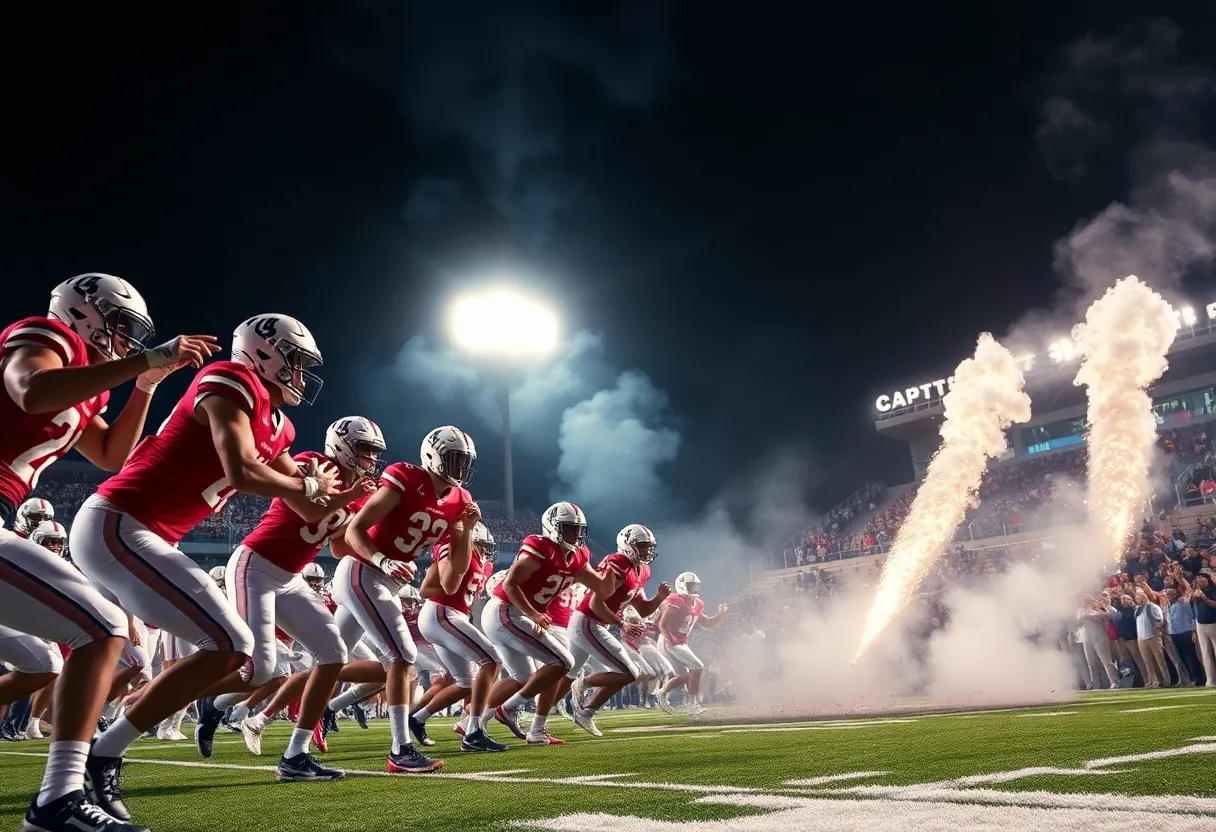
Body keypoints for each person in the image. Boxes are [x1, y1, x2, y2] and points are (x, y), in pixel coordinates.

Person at [70, 313, 338, 826]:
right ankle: (99, 755)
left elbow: (308, 510)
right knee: (228, 644)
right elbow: (242, 470)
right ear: (266, 352)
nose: (302, 375)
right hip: (120, 520)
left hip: (147, 533)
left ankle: (104, 751)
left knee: (233, 650)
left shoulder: (281, 424)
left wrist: (336, 494)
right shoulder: (229, 379)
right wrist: (307, 487)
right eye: (297, 362)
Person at [2, 272, 216, 832]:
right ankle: (57, 799)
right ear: (84, 311)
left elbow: (109, 454)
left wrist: (145, 385)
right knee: (100, 624)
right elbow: (30, 390)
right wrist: (142, 363)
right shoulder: (46, 336)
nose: (124, 340)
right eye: (120, 326)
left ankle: (58, 797)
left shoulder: (90, 381)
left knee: (89, 633)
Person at [205, 416, 382, 781]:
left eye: (373, 451)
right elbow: (309, 510)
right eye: (365, 449)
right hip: (255, 565)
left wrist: (378, 553)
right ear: (344, 445)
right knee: (259, 670)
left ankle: (295, 755)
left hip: (290, 577)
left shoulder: (357, 489)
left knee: (333, 654)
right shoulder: (311, 464)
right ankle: (206, 699)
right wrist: (352, 498)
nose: (370, 457)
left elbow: (335, 543)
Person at [337, 426, 478, 774]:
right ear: (433, 455)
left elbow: (454, 574)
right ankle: (401, 749)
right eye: (454, 459)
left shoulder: (459, 500)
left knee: (330, 658)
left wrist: (467, 531)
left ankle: (280, 727)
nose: (460, 469)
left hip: (387, 581)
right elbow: (354, 530)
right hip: (363, 570)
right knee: (402, 656)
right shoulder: (405, 477)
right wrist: (383, 559)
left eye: (465, 462)